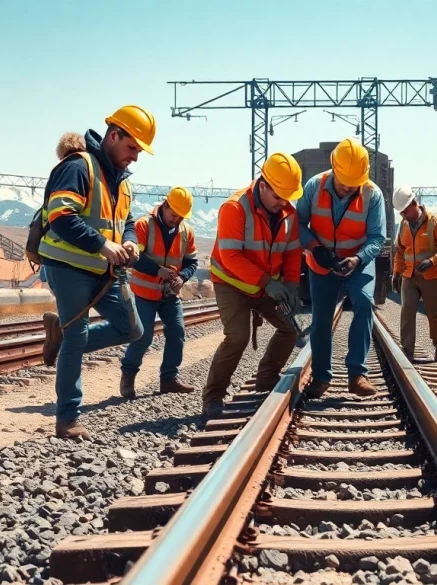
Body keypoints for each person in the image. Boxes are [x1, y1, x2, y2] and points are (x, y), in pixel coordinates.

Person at [38, 105, 157, 439]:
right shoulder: (78, 167)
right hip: (68, 266)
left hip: (104, 271)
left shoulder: (122, 181)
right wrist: (104, 245)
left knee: (132, 328)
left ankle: (59, 336)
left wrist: (130, 242)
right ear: (114, 136)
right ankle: (67, 420)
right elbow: (62, 218)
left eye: (139, 150)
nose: (135, 156)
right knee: (77, 336)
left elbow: (128, 222)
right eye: (132, 147)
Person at [202, 153, 304, 418]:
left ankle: (267, 378)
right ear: (262, 185)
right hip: (231, 282)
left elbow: (293, 252)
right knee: (237, 337)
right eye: (277, 196)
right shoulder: (235, 208)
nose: (282, 202)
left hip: (266, 285)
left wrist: (291, 285)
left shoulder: (288, 213)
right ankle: (213, 396)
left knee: (289, 329)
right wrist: (267, 283)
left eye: (286, 197)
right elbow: (230, 257)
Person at [296, 138, 387, 399]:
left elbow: (377, 237)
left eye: (353, 183)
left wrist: (358, 259)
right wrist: (315, 248)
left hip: (358, 263)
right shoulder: (314, 186)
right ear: (333, 168)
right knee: (321, 319)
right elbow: (299, 223)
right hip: (322, 262)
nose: (348, 187)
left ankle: (357, 375)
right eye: (344, 181)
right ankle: (322, 377)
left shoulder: (373, 194)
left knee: (364, 302)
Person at [118, 186, 199, 398]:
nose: (176, 219)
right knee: (142, 337)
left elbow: (192, 262)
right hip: (144, 293)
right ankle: (128, 375)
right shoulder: (143, 225)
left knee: (177, 334)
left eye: (181, 216)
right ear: (164, 205)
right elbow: (134, 258)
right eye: (174, 215)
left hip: (171, 294)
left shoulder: (187, 232)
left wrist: (183, 278)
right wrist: (158, 270)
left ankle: (169, 380)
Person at [390, 186, 437, 362]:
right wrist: (396, 272)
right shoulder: (403, 225)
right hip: (409, 275)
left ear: (415, 203)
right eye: (401, 213)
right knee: (407, 310)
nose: (404, 216)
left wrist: (432, 261)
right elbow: (400, 251)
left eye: (406, 211)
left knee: (433, 312)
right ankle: (407, 350)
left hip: (432, 276)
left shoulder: (435, 222)